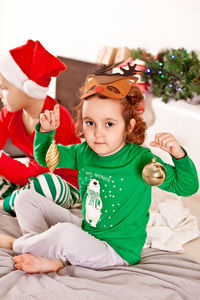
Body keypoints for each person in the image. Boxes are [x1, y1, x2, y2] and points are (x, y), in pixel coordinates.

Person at [0, 64, 198, 274]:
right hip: (89, 231)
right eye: (90, 123)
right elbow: (45, 158)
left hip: (116, 252)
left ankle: (18, 245)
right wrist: (46, 132)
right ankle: (45, 252)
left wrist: (179, 156)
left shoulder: (142, 160)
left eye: (109, 124)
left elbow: (186, 187)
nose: (97, 133)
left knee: (64, 233)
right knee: (25, 198)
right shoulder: (83, 152)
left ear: (129, 126)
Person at [0, 40, 81, 215]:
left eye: (4, 88)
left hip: (63, 183)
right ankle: (18, 198)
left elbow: (38, 172)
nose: (1, 94)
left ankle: (7, 202)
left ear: (27, 88)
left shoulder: (57, 119)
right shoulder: (9, 113)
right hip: (29, 179)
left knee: (47, 185)